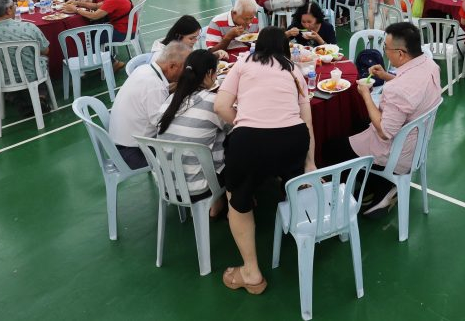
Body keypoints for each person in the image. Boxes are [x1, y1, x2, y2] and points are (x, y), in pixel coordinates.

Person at [214, 27, 315, 295]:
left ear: (257, 45)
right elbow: (307, 119)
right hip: (293, 141)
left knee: (238, 199)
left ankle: (251, 271)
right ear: (285, 48)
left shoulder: (242, 63)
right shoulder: (293, 69)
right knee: (291, 176)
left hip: (250, 144)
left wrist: (244, 120)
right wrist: (310, 161)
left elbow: (220, 106)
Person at [323, 22, 442, 216]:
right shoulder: (430, 65)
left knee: (331, 148)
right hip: (417, 144)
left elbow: (385, 132)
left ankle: (350, 200)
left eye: (386, 48)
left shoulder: (398, 90)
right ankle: (378, 186)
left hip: (397, 154)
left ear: (401, 53)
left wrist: (365, 94)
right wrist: (386, 76)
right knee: (358, 123)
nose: (385, 52)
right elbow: (413, 93)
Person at [156, 49, 230, 217]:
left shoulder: (172, 100)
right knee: (235, 143)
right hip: (198, 186)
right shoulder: (212, 103)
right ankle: (239, 201)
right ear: (209, 73)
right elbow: (234, 126)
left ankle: (217, 203)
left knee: (211, 134)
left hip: (168, 183)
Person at [109, 42, 191, 169]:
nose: (186, 73)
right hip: (133, 153)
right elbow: (163, 125)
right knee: (190, 150)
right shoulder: (155, 86)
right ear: (172, 66)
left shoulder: (144, 69)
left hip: (119, 145)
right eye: (185, 68)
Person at [63, 0, 133, 43]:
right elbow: (96, 6)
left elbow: (94, 16)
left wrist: (76, 9)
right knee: (87, 32)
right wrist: (77, 3)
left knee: (85, 38)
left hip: (122, 32)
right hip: (125, 28)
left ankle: (93, 53)